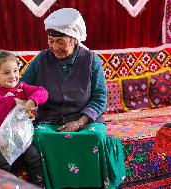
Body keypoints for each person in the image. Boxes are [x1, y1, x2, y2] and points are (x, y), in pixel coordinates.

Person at [20, 8, 126, 189]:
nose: (54, 47)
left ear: (74, 39)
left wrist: (80, 122)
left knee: (95, 137)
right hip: (49, 119)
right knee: (41, 137)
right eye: (51, 41)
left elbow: (100, 97)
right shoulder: (41, 60)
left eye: (60, 42)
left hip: (85, 119)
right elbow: (21, 88)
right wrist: (17, 102)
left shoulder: (92, 61)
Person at [0, 50, 48, 187]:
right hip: (0, 135)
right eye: (6, 73)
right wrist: (14, 102)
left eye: (15, 71)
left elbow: (42, 92)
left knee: (34, 157)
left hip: (21, 134)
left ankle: (38, 185)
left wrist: (33, 100)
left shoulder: (22, 88)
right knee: (2, 161)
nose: (13, 76)